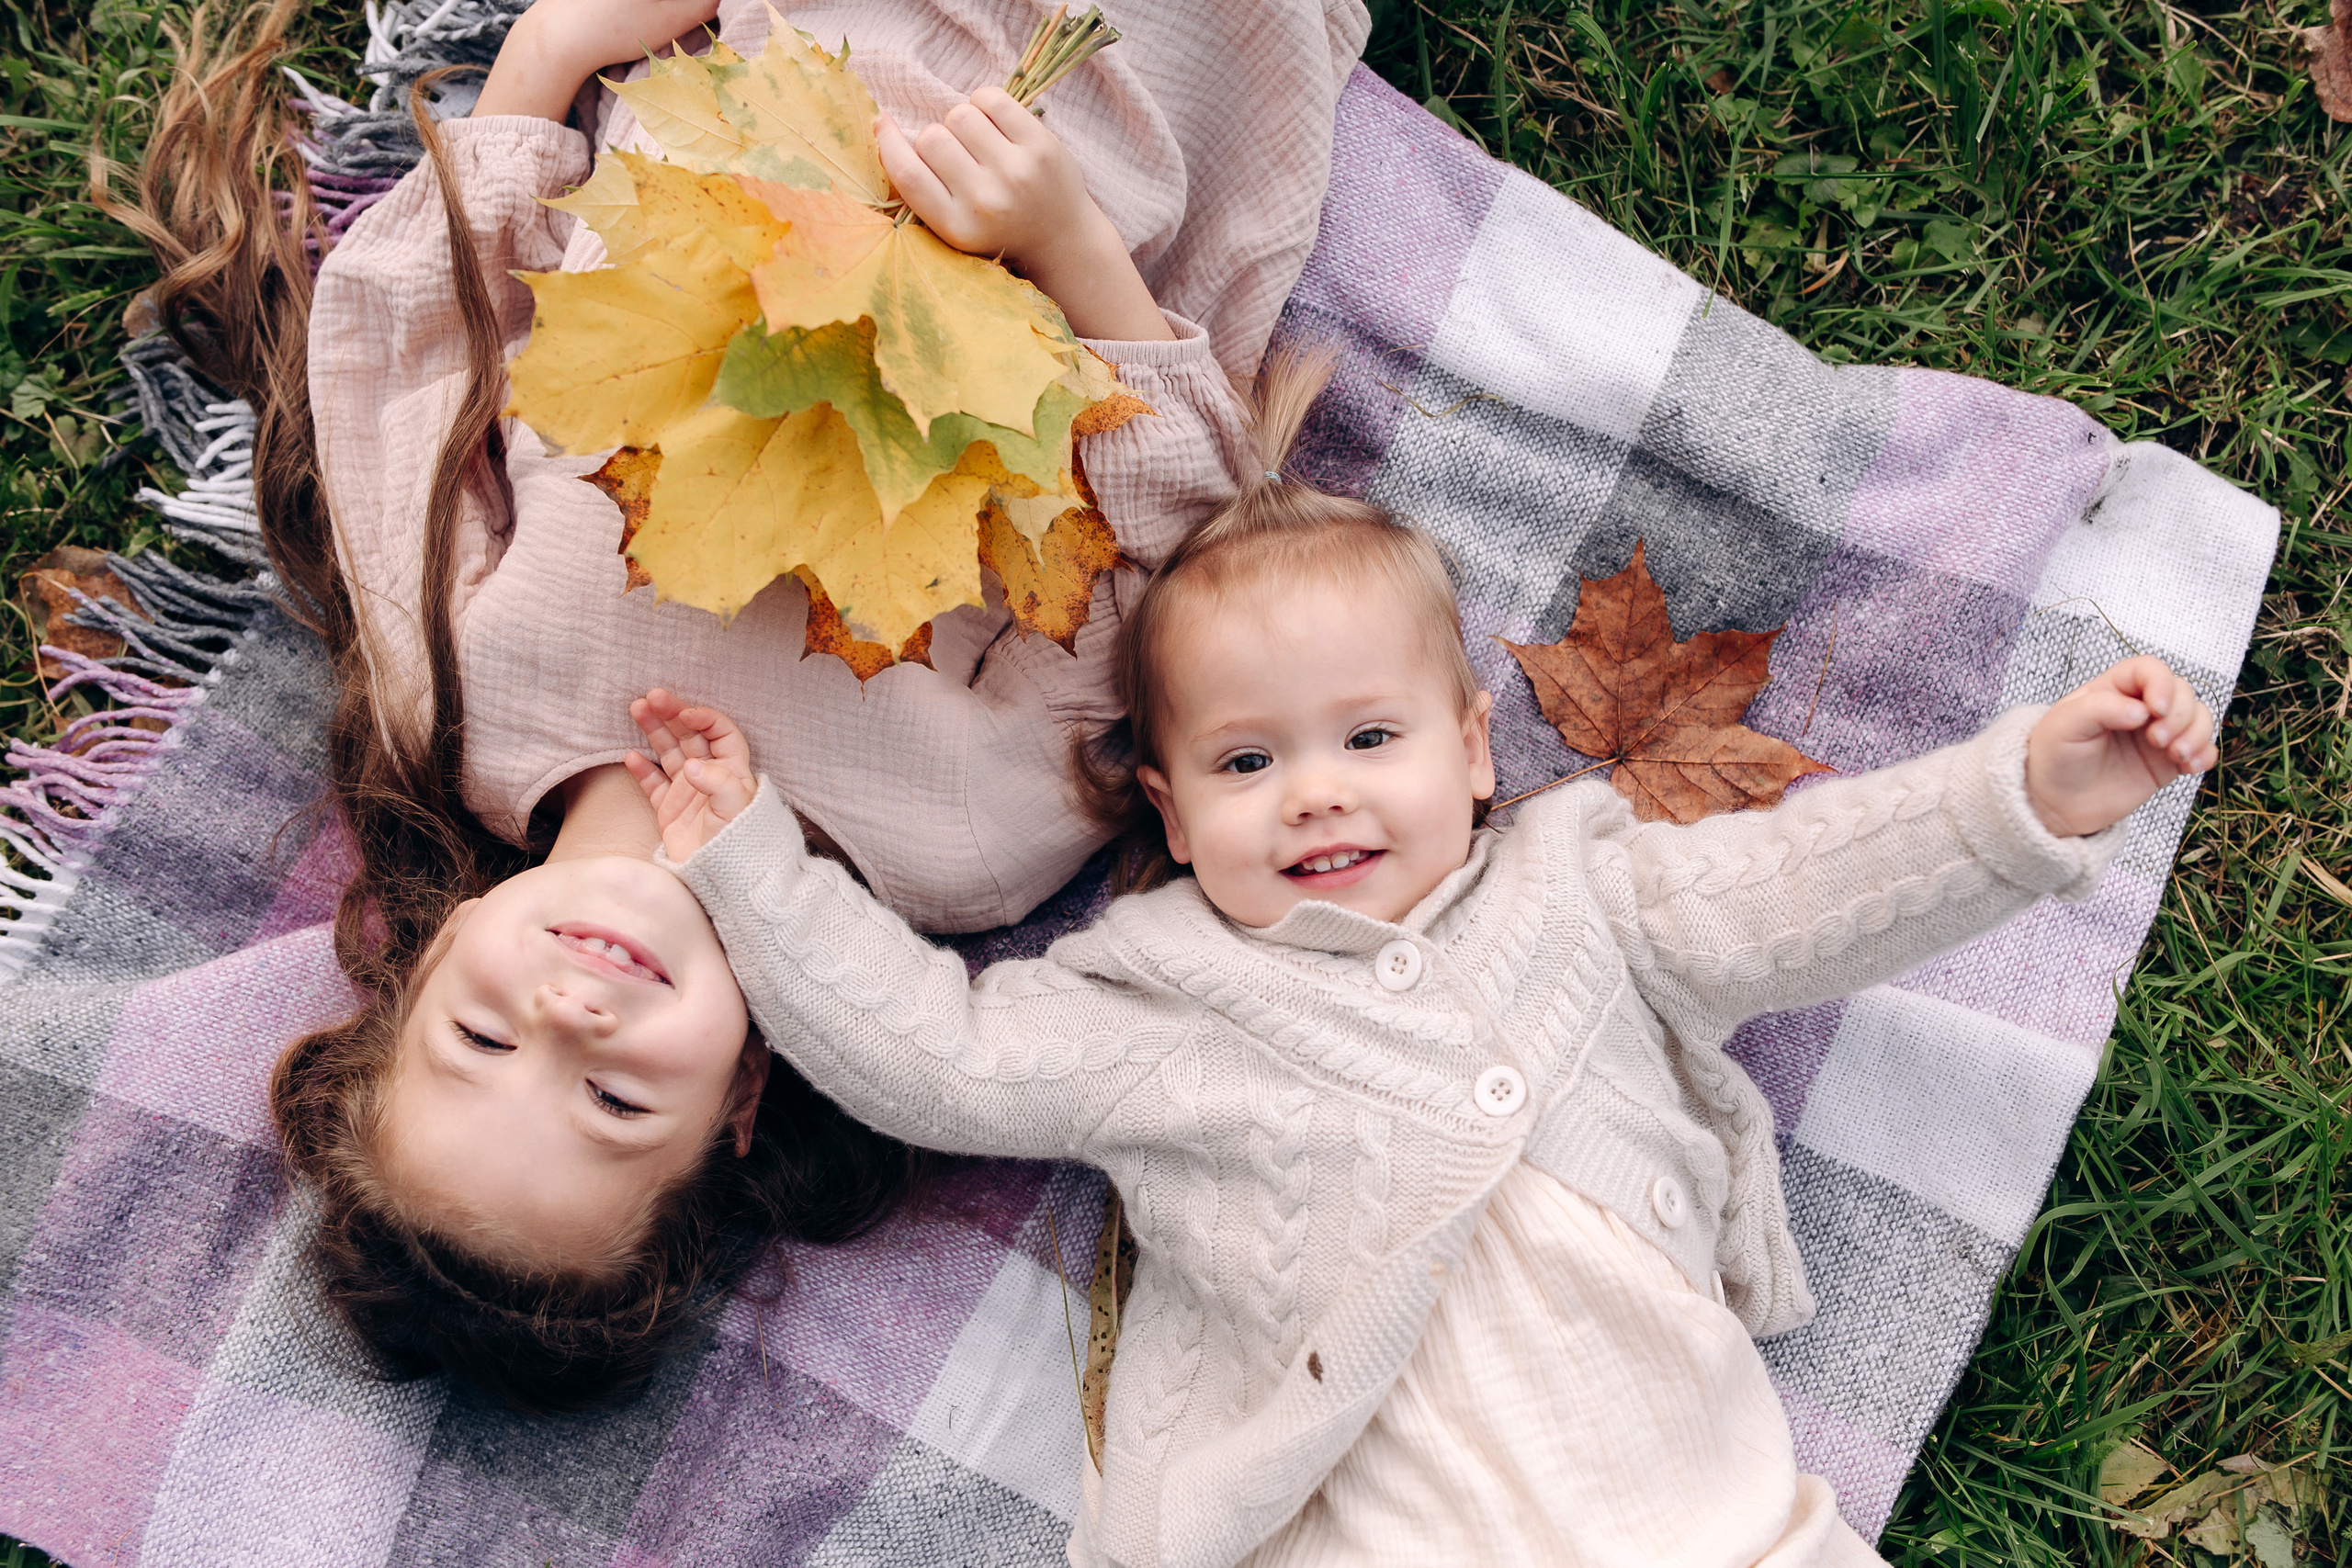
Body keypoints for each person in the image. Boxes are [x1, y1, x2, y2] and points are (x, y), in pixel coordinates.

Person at [624, 353, 2220, 1566]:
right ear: (1171, 819)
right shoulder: (1157, 1004)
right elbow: (932, 1058)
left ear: (1471, 751)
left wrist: (2027, 793)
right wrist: (749, 858)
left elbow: (1812, 882)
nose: (1314, 789)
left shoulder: (1588, 897)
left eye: (1368, 736)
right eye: (1247, 766)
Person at [99, 0, 1367, 1410]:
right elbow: (1180, 556)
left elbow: (418, 351)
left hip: (785, 49)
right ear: (743, 1102)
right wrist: (1063, 240)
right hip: (1103, 106)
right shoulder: (947, 850)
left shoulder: (459, 700)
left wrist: (555, 53)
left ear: (426, 959)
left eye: (485, 1039)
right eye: (615, 1101)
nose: (573, 1011)